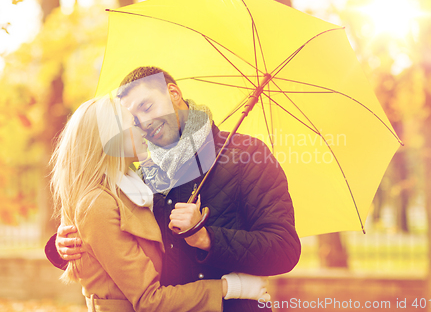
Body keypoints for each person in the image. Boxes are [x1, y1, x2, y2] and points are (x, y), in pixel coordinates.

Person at [46, 67, 302, 312]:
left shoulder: (247, 154)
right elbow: (113, 243)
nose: (143, 122)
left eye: (147, 107)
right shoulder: (139, 175)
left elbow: (284, 250)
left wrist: (207, 238)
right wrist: (63, 246)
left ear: (174, 94)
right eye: (134, 119)